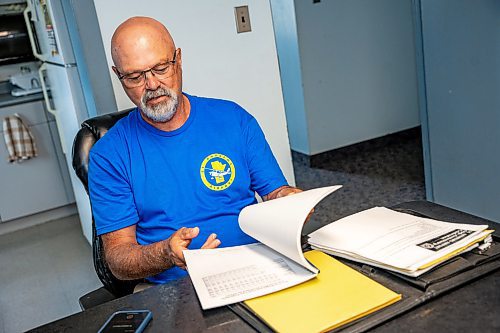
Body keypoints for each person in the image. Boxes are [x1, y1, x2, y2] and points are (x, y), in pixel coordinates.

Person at [88, 16, 302, 285]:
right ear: (118, 75)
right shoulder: (108, 155)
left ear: (178, 59)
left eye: (160, 67)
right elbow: (118, 260)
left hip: (256, 265)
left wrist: (290, 199)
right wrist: (166, 253)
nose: (152, 84)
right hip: (176, 286)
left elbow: (275, 193)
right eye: (135, 76)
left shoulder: (233, 119)